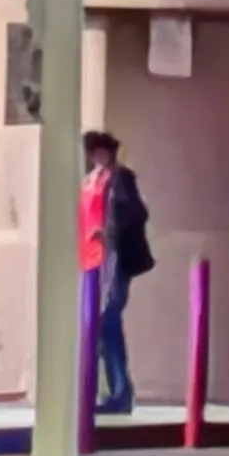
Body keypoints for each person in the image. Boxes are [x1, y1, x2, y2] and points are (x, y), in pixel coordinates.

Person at [82, 130, 153, 419]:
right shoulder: (89, 181)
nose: (99, 156)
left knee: (107, 322)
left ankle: (121, 393)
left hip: (113, 257)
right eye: (94, 151)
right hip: (90, 261)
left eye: (103, 151)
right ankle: (109, 390)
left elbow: (136, 212)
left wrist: (109, 230)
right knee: (98, 328)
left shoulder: (119, 178)